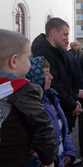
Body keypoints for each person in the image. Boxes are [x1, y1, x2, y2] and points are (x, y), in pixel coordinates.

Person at [0, 29, 57, 167]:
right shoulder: (22, 90)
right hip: (20, 160)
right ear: (14, 61)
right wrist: (49, 160)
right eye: (27, 57)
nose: (30, 62)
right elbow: (41, 127)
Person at [31, 17, 83, 132]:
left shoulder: (59, 51)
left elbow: (68, 80)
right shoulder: (44, 52)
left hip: (65, 107)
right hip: (56, 110)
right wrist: (71, 105)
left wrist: (74, 99)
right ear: (53, 32)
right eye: (65, 34)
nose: (67, 38)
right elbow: (54, 84)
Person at [26, 57, 78, 167]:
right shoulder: (32, 106)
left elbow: (64, 129)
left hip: (61, 156)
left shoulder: (52, 97)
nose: (51, 77)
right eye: (46, 73)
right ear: (35, 76)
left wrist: (68, 152)